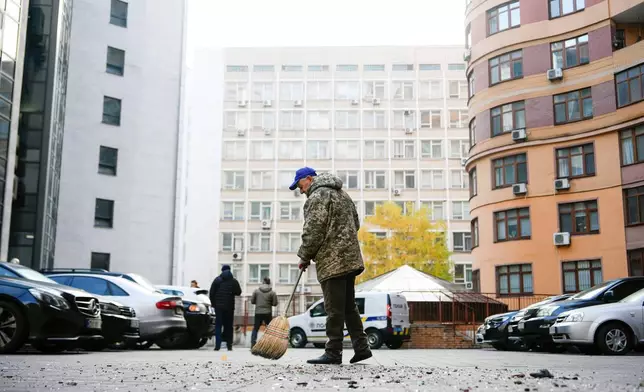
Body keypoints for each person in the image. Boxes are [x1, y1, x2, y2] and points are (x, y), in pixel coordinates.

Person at [289, 167, 372, 365]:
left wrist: (304, 256)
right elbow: (356, 223)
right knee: (348, 306)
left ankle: (333, 352)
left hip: (332, 261)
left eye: (300, 186)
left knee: (333, 308)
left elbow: (313, 231)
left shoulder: (317, 197)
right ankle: (361, 347)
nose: (301, 191)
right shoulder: (342, 194)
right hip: (350, 258)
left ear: (308, 179)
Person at [209, 265, 242, 351]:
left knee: (218, 325)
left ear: (222, 270)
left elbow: (211, 293)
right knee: (229, 326)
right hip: (229, 306)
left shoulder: (217, 280)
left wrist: (213, 304)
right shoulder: (234, 281)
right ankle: (229, 345)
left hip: (219, 307)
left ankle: (217, 346)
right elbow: (238, 292)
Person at [250, 276, 278, 349]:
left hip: (258, 312)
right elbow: (275, 303)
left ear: (263, 282)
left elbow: (252, 301)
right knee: (269, 329)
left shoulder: (256, 291)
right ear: (269, 283)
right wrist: (269, 303)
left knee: (256, 328)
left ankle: (253, 344)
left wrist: (258, 302)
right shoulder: (272, 292)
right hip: (268, 312)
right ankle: (270, 345)